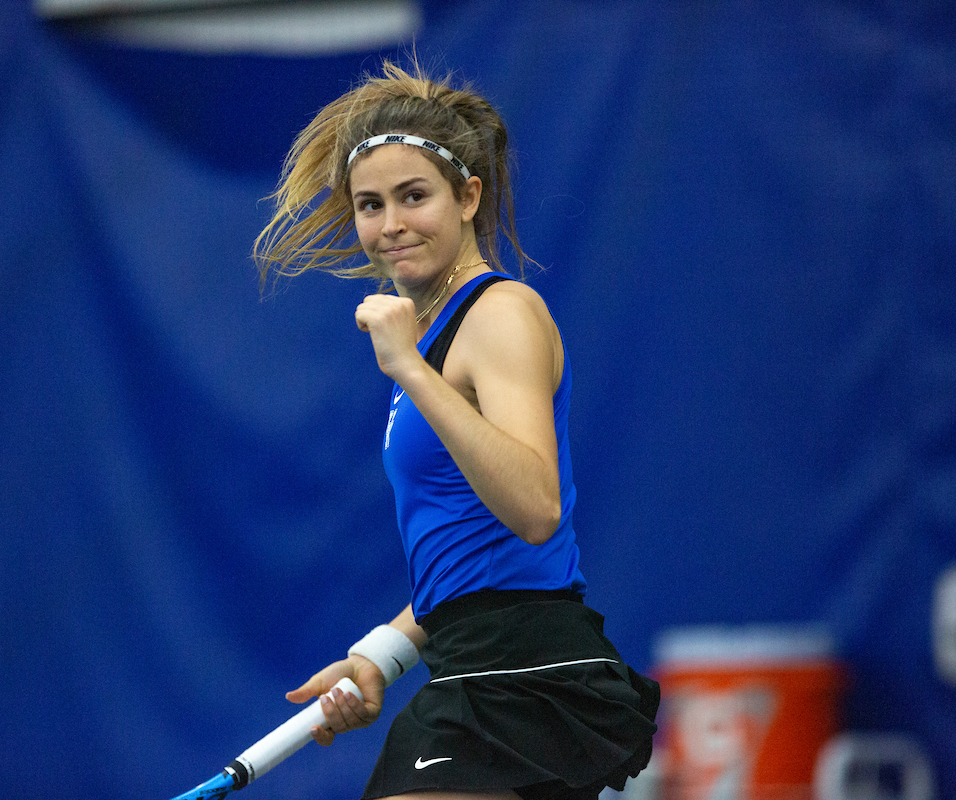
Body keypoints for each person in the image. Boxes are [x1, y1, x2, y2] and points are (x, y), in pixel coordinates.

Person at [253, 59, 659, 800]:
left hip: (519, 676)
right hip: (473, 663)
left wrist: (410, 369)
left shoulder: (500, 315)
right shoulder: (439, 335)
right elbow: (474, 559)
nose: (391, 225)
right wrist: (382, 656)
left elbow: (535, 508)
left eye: (414, 196)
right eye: (370, 205)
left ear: (468, 196)